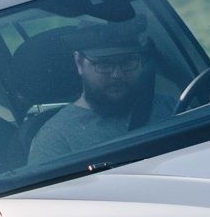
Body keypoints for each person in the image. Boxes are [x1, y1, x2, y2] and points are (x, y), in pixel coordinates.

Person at [26, 18, 176, 166]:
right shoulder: (55, 140)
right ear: (79, 62)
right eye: (103, 63)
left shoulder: (173, 107)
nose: (117, 74)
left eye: (127, 61)